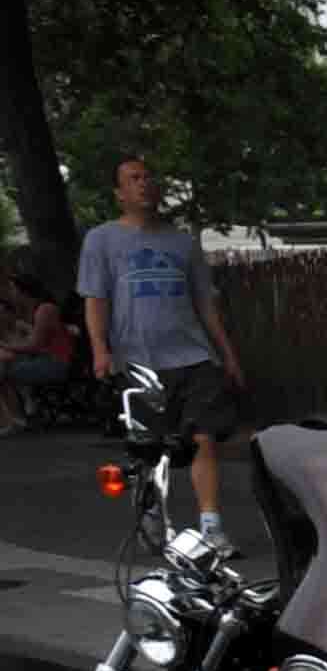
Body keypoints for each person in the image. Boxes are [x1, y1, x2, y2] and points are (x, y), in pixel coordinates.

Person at [75, 154, 248, 536]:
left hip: (193, 354)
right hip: (137, 357)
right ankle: (152, 510)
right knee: (149, 445)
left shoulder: (183, 243)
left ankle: (211, 526)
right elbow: (95, 300)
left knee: (203, 437)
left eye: (149, 177)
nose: (144, 183)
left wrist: (227, 356)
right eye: (134, 178)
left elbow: (205, 305)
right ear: (119, 193)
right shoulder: (101, 240)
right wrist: (100, 349)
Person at [0, 274, 70, 436]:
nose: (11, 293)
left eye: (13, 289)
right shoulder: (40, 309)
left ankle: (17, 420)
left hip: (56, 364)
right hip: (50, 360)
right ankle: (20, 417)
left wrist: (5, 346)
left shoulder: (45, 310)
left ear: (23, 291)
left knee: (3, 373)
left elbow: (34, 345)